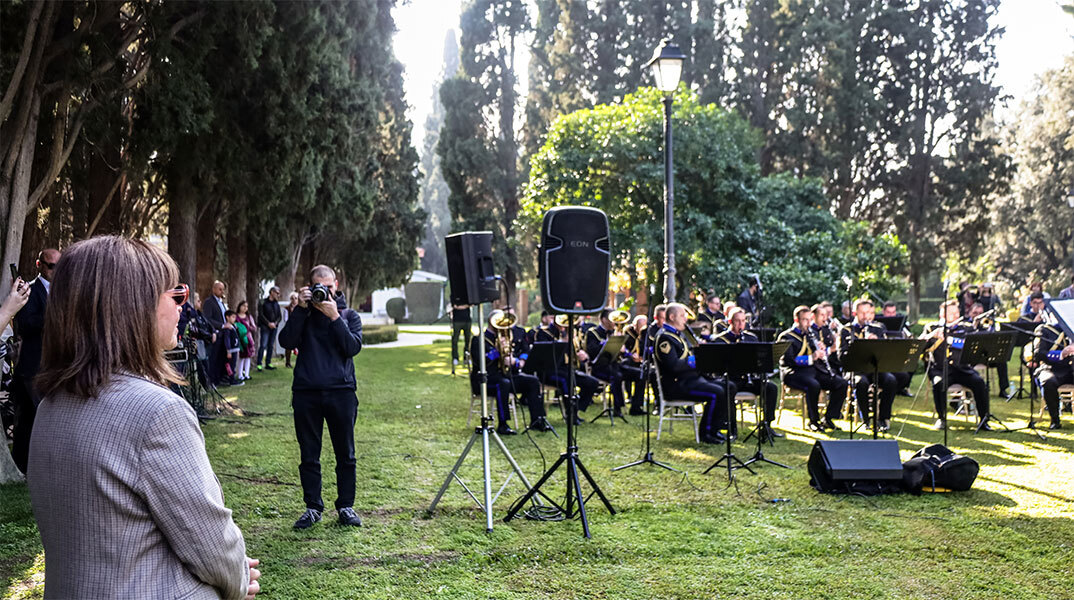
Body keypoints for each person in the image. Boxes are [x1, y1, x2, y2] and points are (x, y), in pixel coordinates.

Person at [26, 235, 258, 599]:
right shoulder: (157, 413)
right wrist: (239, 578)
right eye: (174, 295)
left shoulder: (50, 407)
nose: (182, 306)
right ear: (133, 306)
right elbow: (212, 543)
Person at [279, 265, 364, 530]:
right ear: (309, 286)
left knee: (345, 453)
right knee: (309, 454)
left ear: (335, 285)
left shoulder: (348, 315)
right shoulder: (303, 313)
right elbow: (286, 341)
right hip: (307, 392)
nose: (323, 292)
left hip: (341, 392)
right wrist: (301, 310)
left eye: (328, 287)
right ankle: (313, 507)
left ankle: (346, 506)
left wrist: (335, 317)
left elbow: (352, 348)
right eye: (318, 287)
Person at [655, 303, 737, 443]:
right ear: (672, 317)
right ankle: (706, 433)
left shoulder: (679, 335)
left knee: (730, 386)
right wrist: (696, 359)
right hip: (677, 385)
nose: (685, 319)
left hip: (692, 380)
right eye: (682, 316)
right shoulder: (664, 338)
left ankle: (716, 428)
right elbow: (673, 366)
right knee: (716, 393)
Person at [10, 248, 59, 474]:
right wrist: (53, 315)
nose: (55, 271)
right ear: (40, 265)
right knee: (33, 419)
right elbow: (26, 324)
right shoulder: (29, 290)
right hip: (32, 367)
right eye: (51, 266)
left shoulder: (63, 292)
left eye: (59, 265)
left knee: (35, 419)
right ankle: (23, 465)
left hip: (53, 366)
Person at [470, 312, 550, 434]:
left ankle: (537, 419)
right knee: (503, 384)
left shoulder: (507, 338)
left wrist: (514, 360)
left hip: (505, 376)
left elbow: (521, 351)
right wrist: (497, 353)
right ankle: (503, 424)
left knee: (532, 381)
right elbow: (479, 362)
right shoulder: (479, 339)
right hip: (486, 380)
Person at [712, 307, 781, 440]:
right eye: (737, 321)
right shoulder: (720, 340)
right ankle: (732, 428)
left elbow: (760, 362)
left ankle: (766, 425)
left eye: (743, 321)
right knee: (729, 389)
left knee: (771, 387)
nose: (740, 324)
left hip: (748, 379)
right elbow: (717, 368)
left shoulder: (751, 338)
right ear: (730, 322)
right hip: (731, 379)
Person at [922, 299, 991, 431]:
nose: (955, 315)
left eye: (956, 312)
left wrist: (951, 340)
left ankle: (984, 420)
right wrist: (931, 336)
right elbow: (919, 346)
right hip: (940, 369)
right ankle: (941, 418)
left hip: (962, 369)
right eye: (951, 313)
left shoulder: (965, 327)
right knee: (939, 384)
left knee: (980, 383)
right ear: (942, 314)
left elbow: (970, 345)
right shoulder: (931, 327)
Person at [777, 306, 849, 432]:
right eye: (805, 320)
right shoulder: (787, 336)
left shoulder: (812, 334)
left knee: (841, 383)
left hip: (813, 371)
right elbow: (789, 361)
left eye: (810, 320)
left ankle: (828, 418)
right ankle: (813, 421)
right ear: (796, 320)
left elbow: (819, 356)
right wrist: (812, 357)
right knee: (813, 385)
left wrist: (822, 351)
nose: (808, 323)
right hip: (793, 373)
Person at [838, 299, 898, 431]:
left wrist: (878, 345)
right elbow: (841, 357)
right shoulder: (846, 330)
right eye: (863, 313)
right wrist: (861, 345)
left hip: (874, 368)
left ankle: (883, 418)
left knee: (891, 380)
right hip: (856, 370)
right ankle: (866, 420)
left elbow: (886, 354)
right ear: (855, 313)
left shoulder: (878, 328)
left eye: (869, 313)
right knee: (862, 383)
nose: (866, 317)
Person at [1032, 312, 1074, 429]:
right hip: (1052, 368)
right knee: (1048, 381)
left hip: (1071, 368)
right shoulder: (1044, 330)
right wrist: (1061, 354)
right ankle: (1055, 420)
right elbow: (1039, 354)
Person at [257, 286, 282, 371]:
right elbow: (261, 314)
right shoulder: (263, 302)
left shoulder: (276, 304)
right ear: (272, 292)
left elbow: (279, 316)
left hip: (274, 327)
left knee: (270, 345)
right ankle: (259, 364)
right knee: (263, 345)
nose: (278, 295)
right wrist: (268, 323)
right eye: (277, 293)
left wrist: (276, 323)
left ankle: (268, 363)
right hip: (265, 327)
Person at [235, 300, 257, 381]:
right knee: (241, 357)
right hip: (239, 339)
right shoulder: (236, 317)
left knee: (248, 356)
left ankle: (247, 374)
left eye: (246, 306)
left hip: (248, 338)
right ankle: (240, 374)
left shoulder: (248, 317)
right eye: (243, 306)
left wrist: (247, 328)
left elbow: (253, 327)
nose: (245, 308)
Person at [451, 303, 472, 370]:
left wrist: (460, 306)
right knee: (455, 340)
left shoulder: (467, 295)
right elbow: (455, 305)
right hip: (457, 320)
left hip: (467, 320)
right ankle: (455, 358)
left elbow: (471, 304)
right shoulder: (454, 294)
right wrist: (465, 306)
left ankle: (467, 358)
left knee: (468, 340)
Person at [284, 291, 299, 368]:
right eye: (292, 298)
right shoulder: (287, 308)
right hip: (290, 329)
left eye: (296, 298)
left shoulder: (300, 308)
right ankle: (288, 362)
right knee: (289, 346)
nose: (294, 300)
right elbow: (286, 319)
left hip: (299, 328)